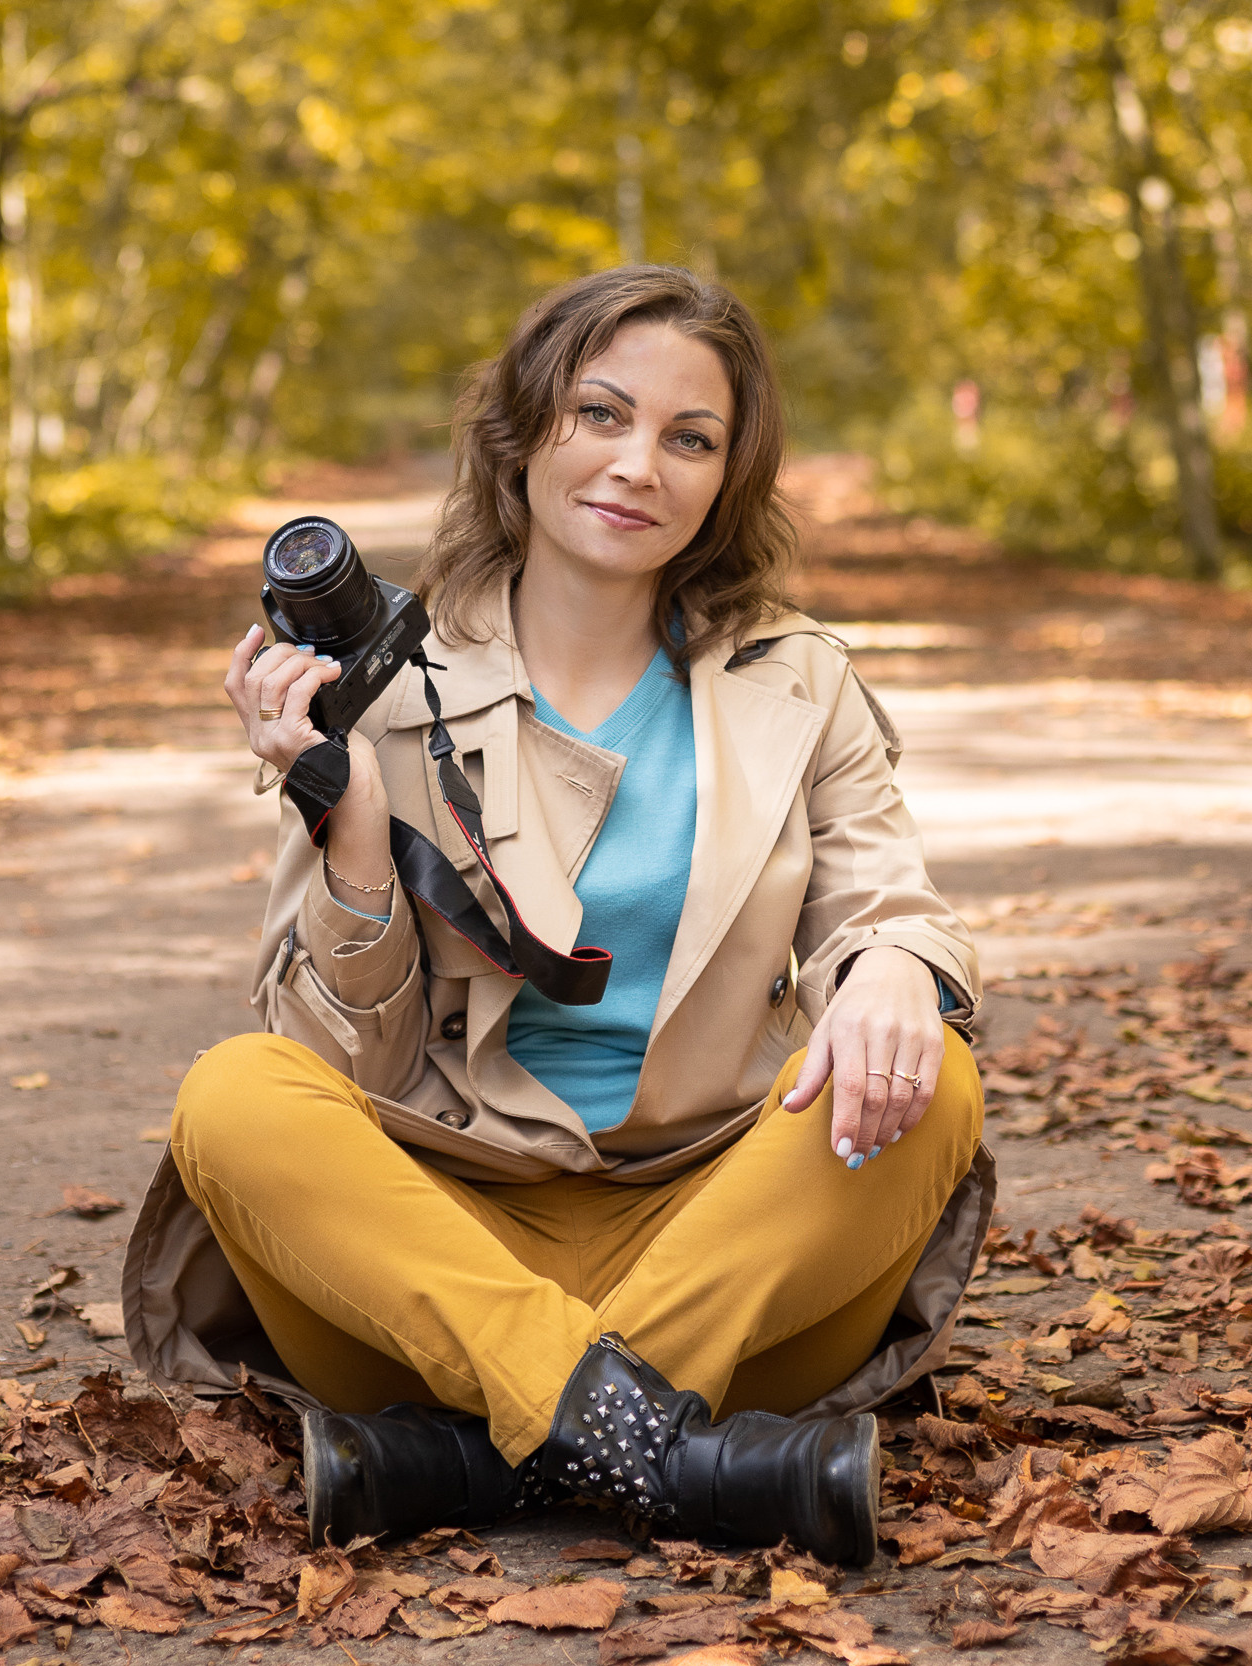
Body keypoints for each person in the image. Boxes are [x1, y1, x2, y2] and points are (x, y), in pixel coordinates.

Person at [122, 265, 990, 1566]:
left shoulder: (795, 677)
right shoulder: (392, 681)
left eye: (689, 438)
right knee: (235, 1093)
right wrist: (354, 824)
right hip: (438, 1240)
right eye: (600, 413)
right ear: (524, 433)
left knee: (941, 1082)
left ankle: (477, 1453)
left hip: (721, 1228)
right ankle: (657, 1444)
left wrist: (887, 976)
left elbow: (885, 895)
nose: (638, 462)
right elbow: (342, 1065)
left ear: (722, 482)